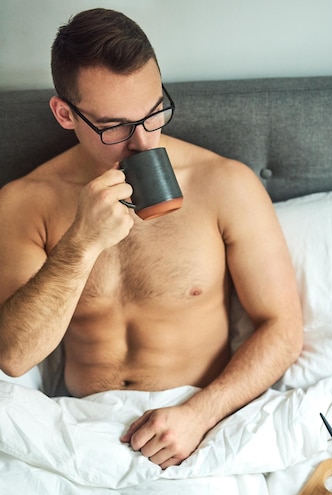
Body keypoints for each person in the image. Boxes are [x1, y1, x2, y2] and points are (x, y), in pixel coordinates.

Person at [0, 8, 303, 469]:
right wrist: (81, 244)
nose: (143, 142)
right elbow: (14, 357)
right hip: (79, 430)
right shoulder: (25, 202)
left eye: (154, 112)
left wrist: (199, 415)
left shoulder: (225, 184)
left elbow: (282, 328)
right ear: (65, 114)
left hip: (197, 424)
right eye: (115, 126)